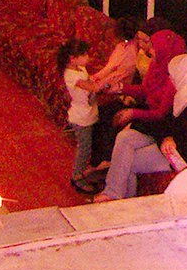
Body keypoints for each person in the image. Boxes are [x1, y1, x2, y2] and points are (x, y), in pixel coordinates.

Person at [96, 28, 187, 202]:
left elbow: (175, 130)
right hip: (169, 140)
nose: (148, 50)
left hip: (180, 154)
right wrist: (141, 122)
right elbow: (168, 123)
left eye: (151, 46)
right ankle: (116, 196)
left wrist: (149, 126)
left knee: (127, 159)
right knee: (125, 139)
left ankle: (118, 199)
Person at [61, 16, 142, 193]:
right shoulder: (74, 76)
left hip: (95, 110)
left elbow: (110, 72)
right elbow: (97, 83)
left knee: (101, 126)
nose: (88, 58)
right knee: (84, 147)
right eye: (84, 55)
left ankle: (99, 164)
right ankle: (79, 176)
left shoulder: (79, 69)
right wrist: (105, 82)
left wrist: (105, 80)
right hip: (83, 117)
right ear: (73, 59)